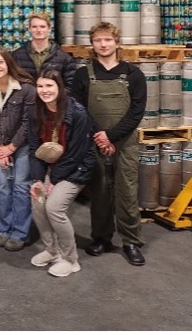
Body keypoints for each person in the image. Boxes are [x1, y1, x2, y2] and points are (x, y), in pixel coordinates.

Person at [73, 22, 147, 266]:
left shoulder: (133, 74)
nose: (103, 44)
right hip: (96, 142)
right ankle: (101, 238)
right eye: (98, 40)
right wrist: (99, 136)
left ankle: (131, 242)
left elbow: (136, 112)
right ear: (92, 44)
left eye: (107, 40)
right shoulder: (83, 74)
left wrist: (111, 136)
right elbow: (79, 110)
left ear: (117, 42)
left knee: (127, 193)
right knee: (101, 192)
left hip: (124, 143)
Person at [29, 70, 95, 277]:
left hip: (76, 168)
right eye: (40, 86)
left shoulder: (77, 113)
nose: (44, 90)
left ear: (60, 87)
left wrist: (54, 180)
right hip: (52, 167)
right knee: (38, 201)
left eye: (49, 86)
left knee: (54, 207)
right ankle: (52, 251)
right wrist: (38, 179)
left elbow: (76, 153)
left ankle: (70, 259)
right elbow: (34, 149)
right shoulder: (36, 111)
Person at [0, 48, 36, 251]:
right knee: (3, 187)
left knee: (20, 186)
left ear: (9, 63)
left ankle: (20, 232)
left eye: (0, 62)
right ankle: (4, 228)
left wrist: (11, 147)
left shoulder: (26, 88)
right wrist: (0, 147)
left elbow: (28, 122)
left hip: (22, 144)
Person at [13, 13, 77, 91]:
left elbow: (70, 86)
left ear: (49, 28)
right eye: (34, 27)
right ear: (29, 29)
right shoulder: (17, 55)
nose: (38, 30)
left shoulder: (64, 58)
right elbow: (12, 82)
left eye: (42, 27)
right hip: (26, 98)